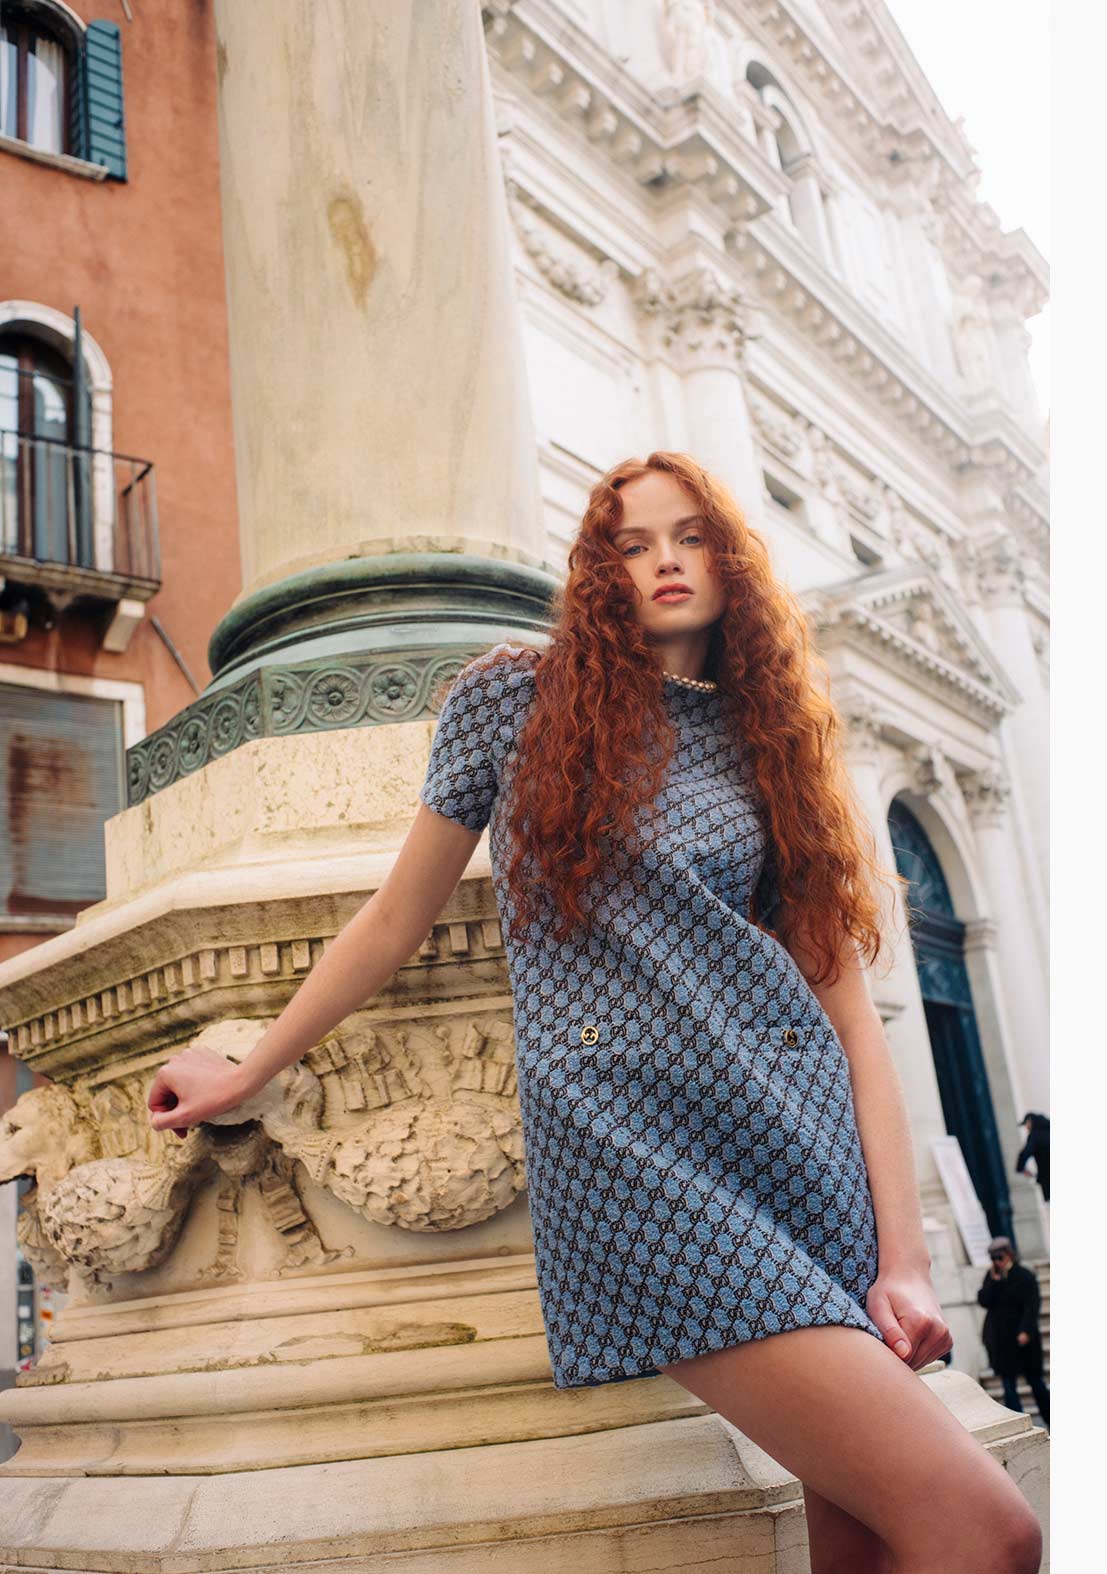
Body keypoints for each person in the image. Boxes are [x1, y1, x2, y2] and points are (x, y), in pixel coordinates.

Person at [143, 452, 1042, 1574]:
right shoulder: (512, 700)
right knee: (992, 1530)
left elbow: (851, 1021)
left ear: (728, 559)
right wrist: (251, 1065)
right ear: (599, 569)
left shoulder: (774, 746)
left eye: (687, 535)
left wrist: (903, 1258)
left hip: (800, 1151)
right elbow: (393, 918)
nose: (662, 560)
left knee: (859, 1544)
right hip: (639, 1163)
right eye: (629, 542)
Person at [975, 1236, 1047, 1428]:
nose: (996, 1262)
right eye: (993, 1258)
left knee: (1036, 1382)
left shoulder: (1024, 1275)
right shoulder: (992, 1277)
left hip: (1024, 1339)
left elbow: (1032, 1306)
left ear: (1008, 1254)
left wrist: (1025, 1330)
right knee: (1008, 1385)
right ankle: (1019, 1426)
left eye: (999, 1257)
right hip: (1002, 1341)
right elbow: (983, 1300)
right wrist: (995, 1281)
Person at [1013, 1110, 1049, 1201]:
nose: (1026, 1128)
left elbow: (1025, 1153)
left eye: (1026, 1124)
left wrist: (1020, 1168)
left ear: (1030, 1121)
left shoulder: (1034, 1136)